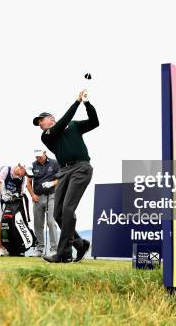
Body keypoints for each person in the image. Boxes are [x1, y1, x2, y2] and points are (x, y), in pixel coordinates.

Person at [33, 90, 99, 263]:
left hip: (81, 168)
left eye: (41, 120)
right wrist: (76, 102)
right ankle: (80, 243)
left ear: (51, 119)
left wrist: (87, 103)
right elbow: (62, 123)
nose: (40, 123)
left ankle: (64, 254)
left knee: (68, 209)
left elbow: (95, 122)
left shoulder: (74, 125)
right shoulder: (46, 135)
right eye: (39, 122)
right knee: (58, 214)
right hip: (63, 171)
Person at [0, 164, 36, 256]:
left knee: (14, 221)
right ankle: (0, 248)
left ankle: (13, 247)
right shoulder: (6, 169)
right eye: (25, 173)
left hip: (12, 201)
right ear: (21, 167)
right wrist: (4, 194)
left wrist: (16, 196)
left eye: (27, 175)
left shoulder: (22, 178)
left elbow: (21, 192)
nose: (25, 175)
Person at [27, 149, 59, 257]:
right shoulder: (33, 165)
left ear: (44, 153)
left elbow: (60, 179)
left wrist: (51, 183)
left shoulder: (54, 163)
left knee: (51, 221)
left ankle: (54, 249)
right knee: (38, 224)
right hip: (37, 197)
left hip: (51, 195)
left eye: (40, 156)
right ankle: (39, 249)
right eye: (36, 157)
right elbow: (28, 182)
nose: (38, 158)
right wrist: (32, 195)